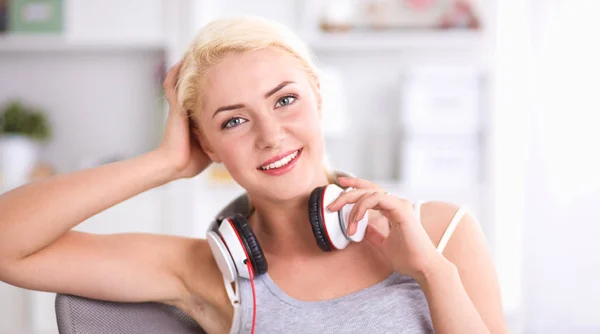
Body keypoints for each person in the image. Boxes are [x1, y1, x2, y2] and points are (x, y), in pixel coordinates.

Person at [0, 16, 509, 334]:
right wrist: (166, 163)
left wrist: (431, 272)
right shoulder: (206, 273)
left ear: (318, 100)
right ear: (208, 144)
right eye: (234, 121)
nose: (271, 135)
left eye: (285, 100)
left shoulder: (441, 232)